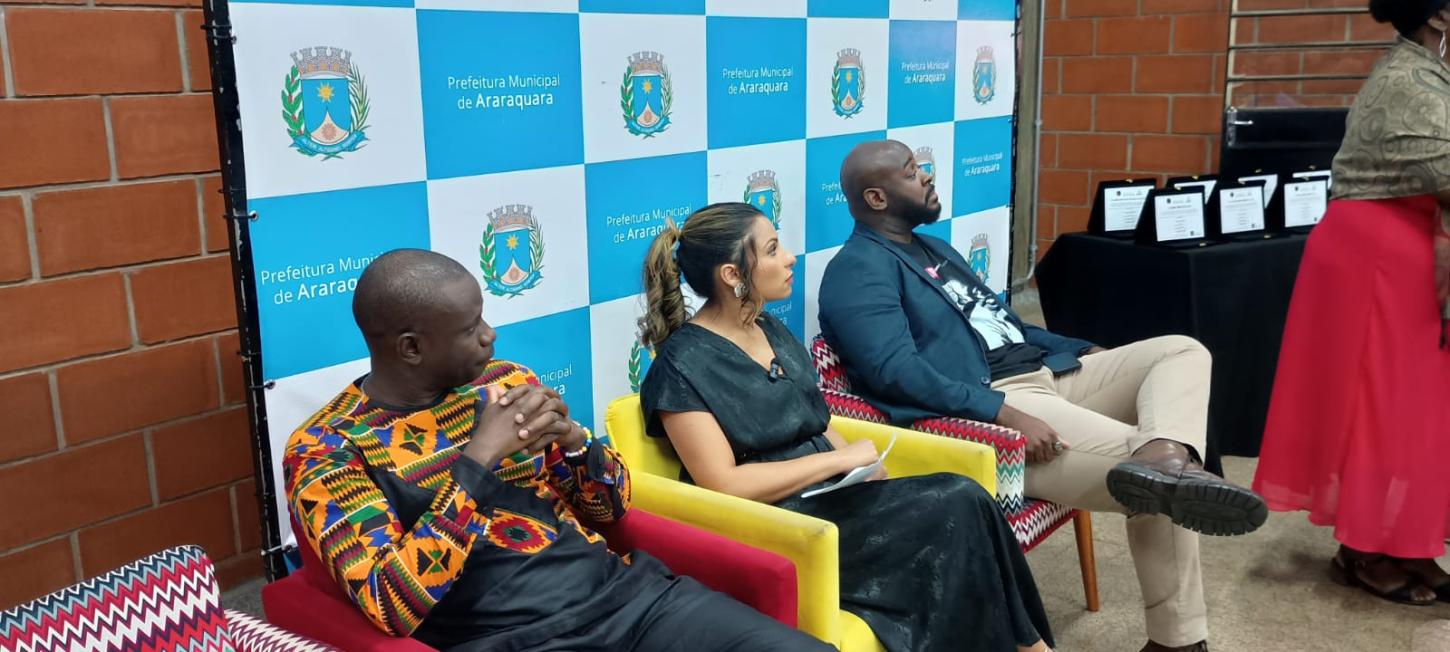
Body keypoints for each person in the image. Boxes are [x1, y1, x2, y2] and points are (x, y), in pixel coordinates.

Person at [816, 140, 1270, 652]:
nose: (926, 175)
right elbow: (893, 373)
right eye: (910, 171)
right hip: (994, 401)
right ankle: (1179, 640)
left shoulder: (934, 248)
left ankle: (1165, 454)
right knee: (1153, 479)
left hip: (1046, 374)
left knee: (1180, 351)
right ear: (877, 198)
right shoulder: (857, 270)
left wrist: (1083, 349)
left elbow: (1009, 328)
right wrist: (1003, 412)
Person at [283, 249, 831, 651]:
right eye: (470, 328)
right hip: (514, 639)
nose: (490, 335)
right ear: (410, 348)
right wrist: (477, 463)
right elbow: (390, 603)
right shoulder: (328, 449)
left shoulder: (503, 382)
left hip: (628, 598)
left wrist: (574, 445)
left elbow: (611, 508)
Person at [636, 202, 1056, 652]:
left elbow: (814, 418)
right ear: (732, 274)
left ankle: (1027, 646)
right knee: (954, 505)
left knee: (967, 498)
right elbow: (723, 483)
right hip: (778, 526)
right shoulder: (680, 365)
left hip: (835, 499)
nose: (790, 258)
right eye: (773, 249)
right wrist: (838, 460)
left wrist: (861, 465)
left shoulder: (769, 329)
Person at [1253, 0, 1450, 607]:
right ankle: (1363, 549)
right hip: (1378, 261)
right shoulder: (1408, 81)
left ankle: (1405, 542)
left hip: (1406, 252)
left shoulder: (1429, 72)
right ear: (1439, 16)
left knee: (1415, 413)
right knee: (1379, 409)